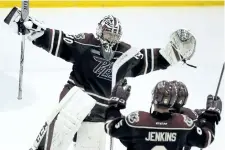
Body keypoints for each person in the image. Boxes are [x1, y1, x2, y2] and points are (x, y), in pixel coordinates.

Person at [4, 7, 197, 150]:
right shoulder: (85, 43)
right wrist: (32, 30)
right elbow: (60, 41)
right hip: (75, 100)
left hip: (100, 111)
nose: (110, 39)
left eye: (114, 36)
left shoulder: (127, 54)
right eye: (107, 34)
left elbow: (152, 58)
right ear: (98, 32)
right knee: (55, 139)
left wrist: (175, 53)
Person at [105, 79, 222, 150]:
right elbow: (207, 139)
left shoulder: (136, 120)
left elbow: (109, 126)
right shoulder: (184, 123)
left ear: (153, 98)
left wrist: (115, 105)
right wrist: (210, 117)